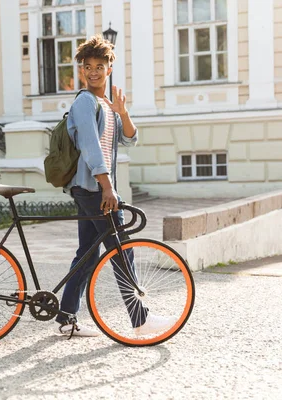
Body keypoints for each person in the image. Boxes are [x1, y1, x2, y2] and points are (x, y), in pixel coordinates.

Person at [56, 35, 175, 337]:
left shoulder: (105, 105)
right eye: (87, 67)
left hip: (93, 188)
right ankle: (140, 319)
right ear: (81, 70)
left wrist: (122, 111)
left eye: (99, 66)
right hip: (94, 189)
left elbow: (130, 138)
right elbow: (91, 147)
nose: (93, 72)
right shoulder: (85, 102)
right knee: (122, 250)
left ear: (109, 68)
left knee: (88, 253)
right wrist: (107, 187)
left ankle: (66, 317)